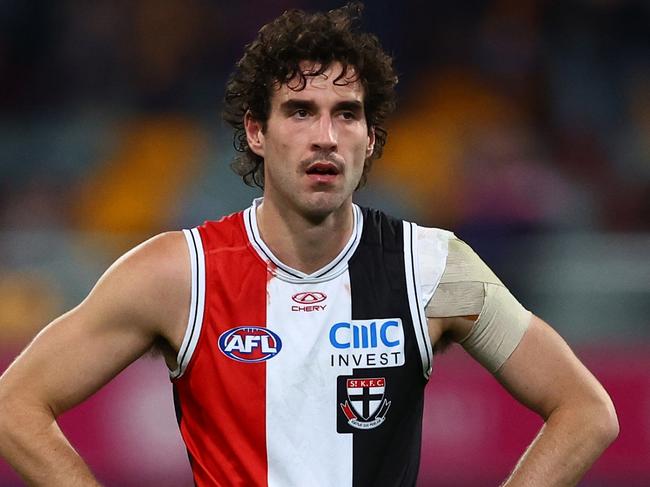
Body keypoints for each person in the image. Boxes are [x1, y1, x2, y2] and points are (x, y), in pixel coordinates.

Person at [0, 3, 618, 486]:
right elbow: (14, 406)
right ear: (256, 132)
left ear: (371, 138)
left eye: (346, 113)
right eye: (299, 111)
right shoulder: (178, 274)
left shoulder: (433, 268)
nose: (325, 136)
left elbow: (587, 412)